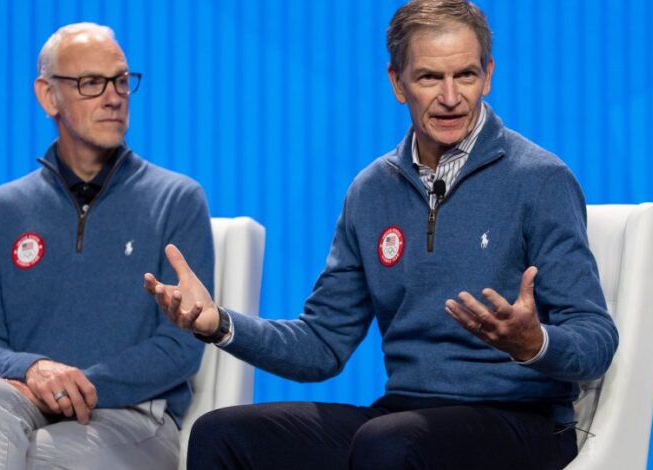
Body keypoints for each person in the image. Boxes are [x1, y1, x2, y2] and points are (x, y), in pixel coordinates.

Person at [147, 1, 618, 468]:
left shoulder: (540, 179)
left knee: (389, 443)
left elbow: (595, 339)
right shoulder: (372, 190)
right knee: (222, 434)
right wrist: (219, 324)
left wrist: (533, 343)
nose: (451, 96)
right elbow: (321, 345)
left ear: (488, 75)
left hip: (524, 420)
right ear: (397, 82)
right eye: (429, 77)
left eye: (466, 75)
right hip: (406, 416)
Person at [0, 23, 214, 469]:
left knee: (42, 459)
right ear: (48, 96)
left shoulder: (177, 200)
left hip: (133, 416)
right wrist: (33, 371)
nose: (114, 97)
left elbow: (180, 347)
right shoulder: (1, 210)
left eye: (121, 80)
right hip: (22, 398)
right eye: (91, 83)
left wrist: (72, 386)